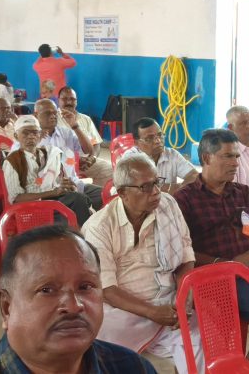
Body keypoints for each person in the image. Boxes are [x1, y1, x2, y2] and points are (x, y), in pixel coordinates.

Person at [0, 225, 155, 373]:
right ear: (6, 307)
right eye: (46, 290)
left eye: (85, 287)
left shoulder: (133, 368)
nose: (73, 306)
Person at [174, 129, 249, 361]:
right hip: (214, 279)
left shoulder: (245, 194)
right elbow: (182, 252)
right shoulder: (185, 200)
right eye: (228, 156)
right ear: (207, 158)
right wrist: (227, 264)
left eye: (237, 156)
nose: (235, 163)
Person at [81, 154, 203, 373]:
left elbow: (185, 255)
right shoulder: (99, 227)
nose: (156, 192)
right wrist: (152, 312)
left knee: (199, 336)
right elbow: (107, 289)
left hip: (168, 302)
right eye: (145, 187)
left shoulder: (168, 205)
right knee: (102, 351)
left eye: (157, 182)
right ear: (122, 193)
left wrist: (184, 298)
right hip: (121, 311)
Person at [4, 116, 96, 224]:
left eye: (35, 133)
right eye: (25, 133)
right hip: (31, 208)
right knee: (78, 201)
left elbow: (61, 179)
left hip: (54, 200)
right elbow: (16, 198)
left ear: (40, 135)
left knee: (81, 200)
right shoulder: (12, 161)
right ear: (16, 136)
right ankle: (81, 230)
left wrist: (66, 185)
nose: (31, 137)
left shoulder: (50, 154)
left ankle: (81, 229)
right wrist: (53, 192)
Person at [29, 99, 106, 208]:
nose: (53, 116)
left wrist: (75, 126)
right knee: (81, 201)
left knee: (108, 194)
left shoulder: (65, 133)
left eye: (55, 113)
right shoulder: (28, 139)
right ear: (36, 115)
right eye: (47, 113)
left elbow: (89, 150)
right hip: (49, 192)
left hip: (74, 185)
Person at [124, 118, 197, 194]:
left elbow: (195, 176)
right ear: (136, 143)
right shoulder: (130, 159)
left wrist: (179, 187)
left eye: (160, 135)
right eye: (149, 138)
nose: (158, 141)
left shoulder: (171, 154)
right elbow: (135, 190)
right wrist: (168, 188)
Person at [56, 87, 103, 162]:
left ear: (76, 102)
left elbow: (96, 143)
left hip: (87, 160)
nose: (69, 102)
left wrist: (92, 158)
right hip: (63, 163)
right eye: (64, 99)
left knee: (110, 168)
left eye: (72, 99)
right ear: (58, 100)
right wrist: (74, 160)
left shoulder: (86, 119)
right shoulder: (53, 119)